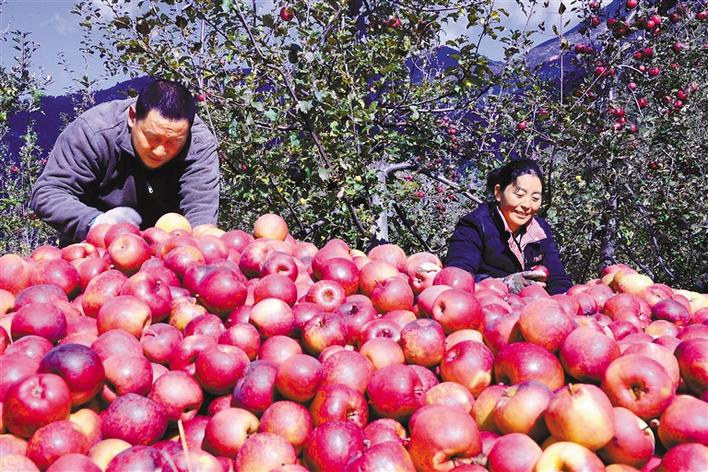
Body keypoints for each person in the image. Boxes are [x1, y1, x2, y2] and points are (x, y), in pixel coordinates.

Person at [30, 79, 219, 246]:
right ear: (132, 117)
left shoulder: (199, 144)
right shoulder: (94, 133)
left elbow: (200, 214)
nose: (160, 151)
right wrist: (96, 222)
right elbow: (49, 192)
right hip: (91, 250)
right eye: (152, 138)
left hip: (167, 254)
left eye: (173, 142)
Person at [445, 159, 572, 295]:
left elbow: (557, 278)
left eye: (535, 198)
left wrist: (565, 298)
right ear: (498, 192)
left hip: (531, 305)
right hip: (485, 302)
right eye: (519, 195)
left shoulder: (541, 230)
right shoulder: (475, 225)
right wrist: (505, 284)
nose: (527, 205)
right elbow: (457, 277)